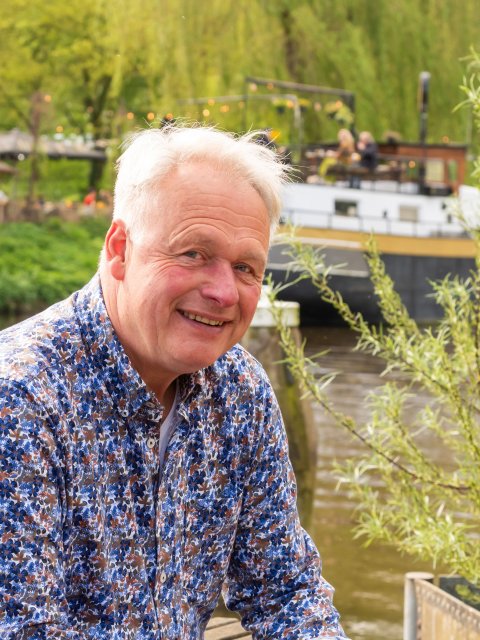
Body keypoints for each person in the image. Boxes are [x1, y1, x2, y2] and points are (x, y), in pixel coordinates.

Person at [0, 125, 349, 639]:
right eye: (193, 254)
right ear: (120, 249)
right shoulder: (21, 399)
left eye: (246, 267)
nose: (224, 292)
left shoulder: (240, 394)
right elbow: (23, 628)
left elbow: (286, 592)